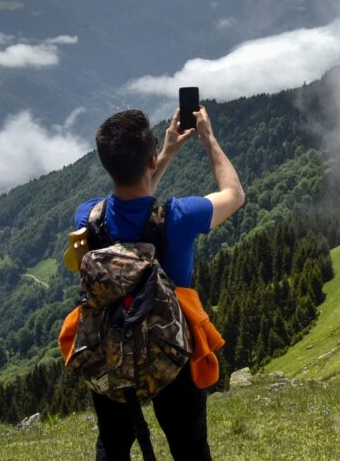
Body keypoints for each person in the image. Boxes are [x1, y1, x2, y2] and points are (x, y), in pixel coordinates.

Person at [76, 107, 244, 461]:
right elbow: (234, 193)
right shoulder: (180, 217)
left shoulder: (88, 216)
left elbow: (131, 202)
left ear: (106, 163)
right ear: (148, 160)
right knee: (190, 450)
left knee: (112, 446)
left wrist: (163, 155)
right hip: (174, 354)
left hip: (111, 351)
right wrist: (208, 138)